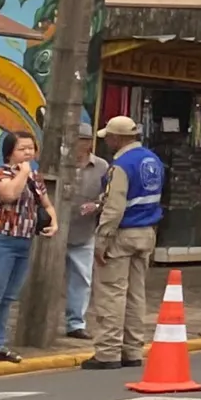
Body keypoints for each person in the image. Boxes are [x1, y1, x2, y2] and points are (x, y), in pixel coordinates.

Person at [0, 131, 58, 364]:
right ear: (10, 151)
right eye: (22, 149)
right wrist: (24, 173)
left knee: (8, 297)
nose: (28, 153)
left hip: (24, 241)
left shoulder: (34, 176)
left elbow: (46, 203)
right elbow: (8, 194)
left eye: (31, 148)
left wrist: (53, 222)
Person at [82, 116, 164, 370]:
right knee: (135, 295)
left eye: (109, 137)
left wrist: (102, 240)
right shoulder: (153, 161)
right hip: (146, 232)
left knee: (111, 294)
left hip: (122, 234)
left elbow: (115, 207)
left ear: (117, 138)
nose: (107, 141)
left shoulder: (121, 165)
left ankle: (108, 352)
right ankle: (132, 350)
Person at [64, 122, 109, 339]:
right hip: (53, 231)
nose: (78, 144)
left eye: (82, 140)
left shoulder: (101, 166)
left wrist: (97, 205)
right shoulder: (59, 163)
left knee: (82, 278)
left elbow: (108, 195)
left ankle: (75, 324)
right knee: (44, 278)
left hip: (84, 231)